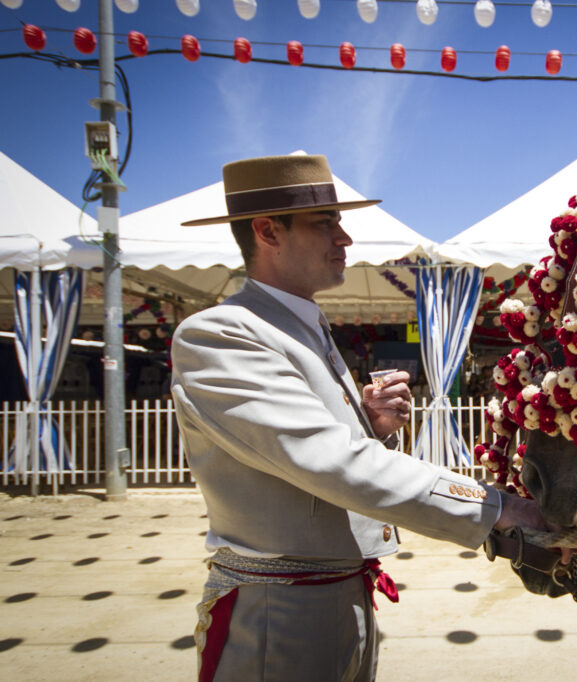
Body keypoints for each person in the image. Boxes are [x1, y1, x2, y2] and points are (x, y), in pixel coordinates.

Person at [171, 154, 552, 681]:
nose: (344, 238)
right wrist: (498, 507)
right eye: (324, 223)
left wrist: (368, 427)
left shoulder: (301, 326)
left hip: (334, 592)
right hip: (281, 610)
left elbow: (312, 454)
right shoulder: (221, 333)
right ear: (266, 231)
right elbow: (332, 463)